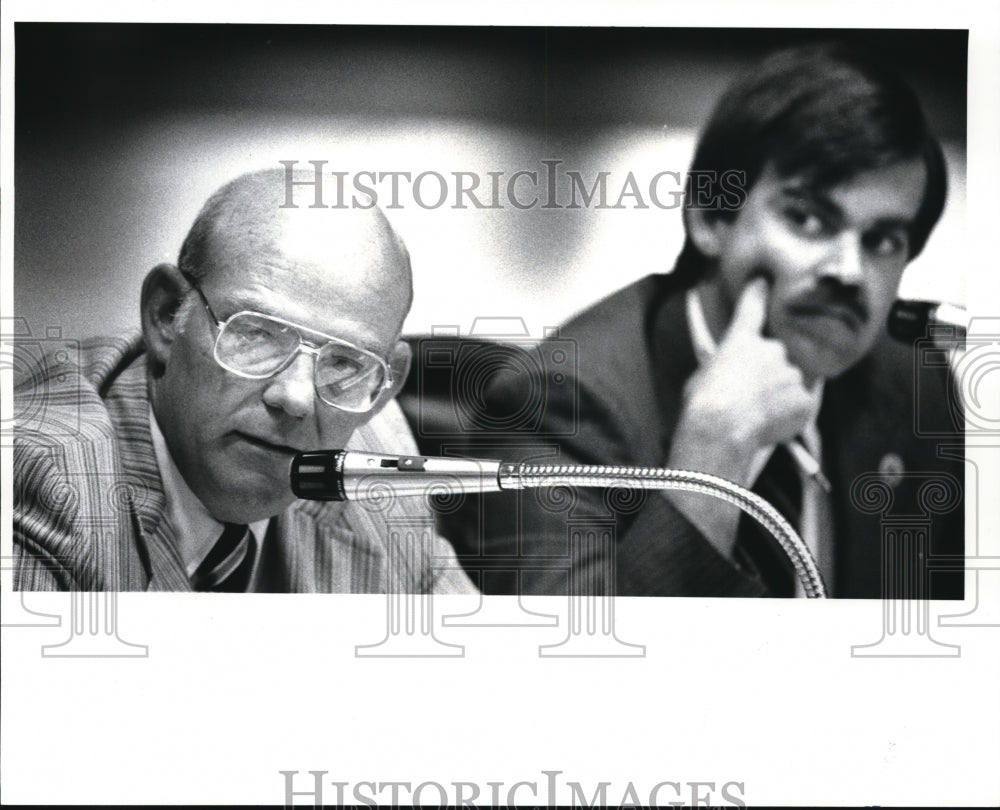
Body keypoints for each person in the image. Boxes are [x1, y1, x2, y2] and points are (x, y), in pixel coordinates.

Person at [457, 43, 964, 598]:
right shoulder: (559, 403)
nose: (849, 271)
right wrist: (714, 453)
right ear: (710, 219)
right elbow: (578, 668)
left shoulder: (915, 384)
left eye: (883, 241)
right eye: (807, 218)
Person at [14, 168, 476, 594]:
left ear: (385, 388)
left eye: (344, 363)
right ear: (166, 315)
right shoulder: (41, 482)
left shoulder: (379, 461)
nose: (295, 397)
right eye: (257, 335)